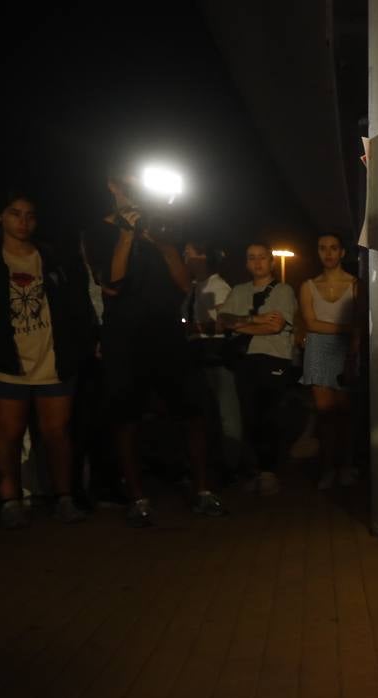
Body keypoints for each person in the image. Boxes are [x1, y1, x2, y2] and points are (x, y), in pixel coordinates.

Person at [84, 170, 226, 525]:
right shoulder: (100, 229)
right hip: (124, 337)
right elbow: (111, 283)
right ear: (113, 185)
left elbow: (183, 285)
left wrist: (162, 244)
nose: (134, 191)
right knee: (126, 415)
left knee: (193, 409)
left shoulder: (165, 227)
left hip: (167, 335)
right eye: (128, 185)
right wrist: (128, 235)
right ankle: (138, 497)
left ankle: (203, 490)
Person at [0, 190, 96, 528]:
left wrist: (84, 345)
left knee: (57, 433)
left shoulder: (53, 259)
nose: (23, 222)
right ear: (0, 217)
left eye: (29, 215)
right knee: (7, 434)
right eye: (15, 213)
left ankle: (64, 497)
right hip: (6, 362)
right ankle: (10, 500)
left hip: (54, 359)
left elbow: (78, 307)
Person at [218, 242, 298, 496]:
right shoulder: (239, 290)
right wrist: (255, 319)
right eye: (251, 258)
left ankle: (269, 471)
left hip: (273, 357)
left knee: (269, 414)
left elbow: (274, 327)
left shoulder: (283, 290)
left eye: (262, 257)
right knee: (249, 415)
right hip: (245, 360)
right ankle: (255, 470)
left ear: (271, 262)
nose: (257, 262)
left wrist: (239, 325)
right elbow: (223, 321)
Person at [297, 231, 360, 488]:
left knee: (345, 413)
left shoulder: (356, 284)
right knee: (325, 415)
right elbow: (310, 323)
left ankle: (345, 466)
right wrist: (346, 328)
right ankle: (327, 468)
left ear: (342, 252)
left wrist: (352, 349)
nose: (328, 253)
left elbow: (359, 324)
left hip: (346, 351)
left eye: (333, 248)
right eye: (323, 248)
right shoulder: (307, 286)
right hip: (319, 350)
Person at [183, 240, 244, 482]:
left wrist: (193, 327)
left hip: (215, 352)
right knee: (206, 412)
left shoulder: (217, 285)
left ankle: (233, 464)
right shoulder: (193, 286)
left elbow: (225, 321)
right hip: (197, 353)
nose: (184, 258)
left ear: (202, 256)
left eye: (188, 253)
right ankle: (213, 463)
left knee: (226, 411)